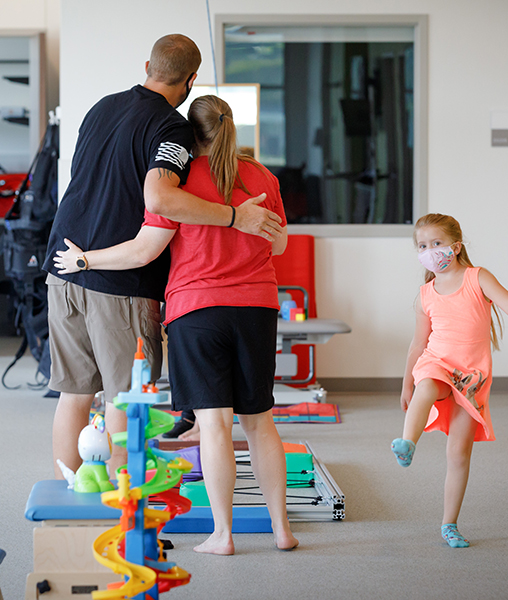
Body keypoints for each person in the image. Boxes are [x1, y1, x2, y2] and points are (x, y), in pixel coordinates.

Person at [54, 94, 299, 555]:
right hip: (257, 309)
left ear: (190, 133)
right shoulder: (262, 176)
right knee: (261, 423)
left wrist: (85, 259)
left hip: (197, 313)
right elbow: (280, 245)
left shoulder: (179, 182)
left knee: (214, 426)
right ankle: (282, 531)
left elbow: (143, 251)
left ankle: (223, 537)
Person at [42, 34, 283, 479]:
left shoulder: (102, 107)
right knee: (125, 399)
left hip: (64, 263)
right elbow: (160, 198)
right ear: (190, 80)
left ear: (147, 65)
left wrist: (83, 258)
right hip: (118, 280)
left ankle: (72, 505)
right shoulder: (171, 127)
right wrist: (233, 217)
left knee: (73, 395)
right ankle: (123, 514)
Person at [392, 213, 508, 548]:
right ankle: (407, 443)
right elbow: (417, 344)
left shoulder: (476, 278)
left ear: (455, 246)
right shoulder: (425, 294)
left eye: (435, 243)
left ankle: (449, 525)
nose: (428, 251)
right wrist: (405, 384)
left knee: (458, 455)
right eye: (422, 246)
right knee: (427, 384)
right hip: (437, 363)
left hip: (471, 377)